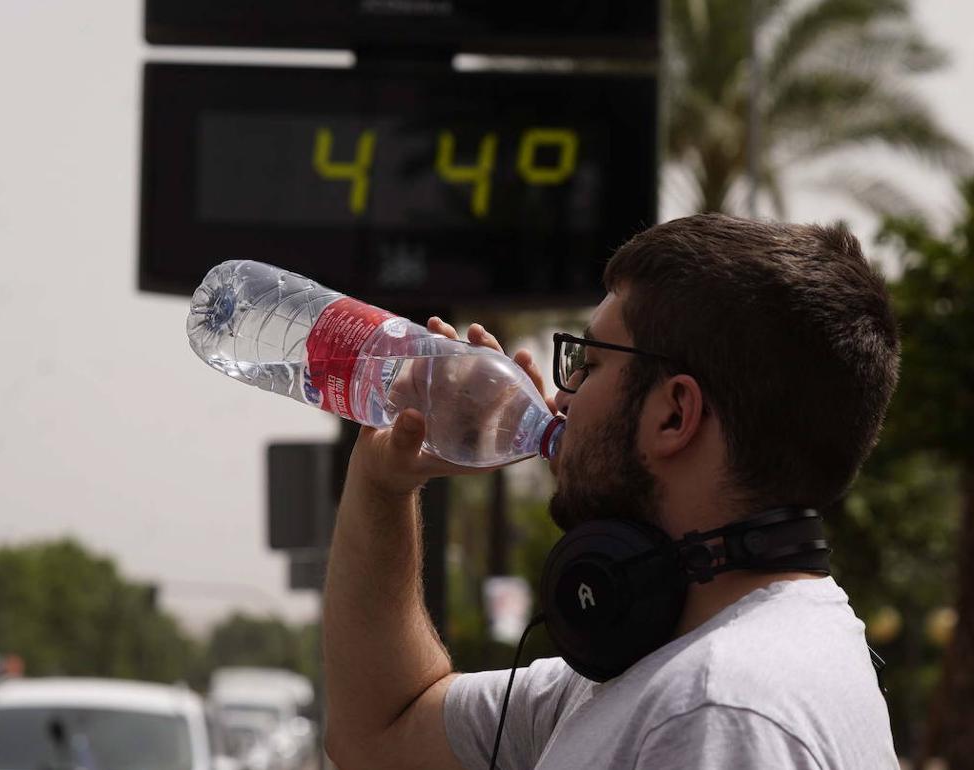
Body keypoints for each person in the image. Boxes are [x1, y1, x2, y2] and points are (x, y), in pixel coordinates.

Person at [322, 213, 902, 769]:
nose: (562, 394)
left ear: (674, 415)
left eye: (591, 362)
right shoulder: (686, 662)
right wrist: (383, 484)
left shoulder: (714, 708)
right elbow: (379, 734)